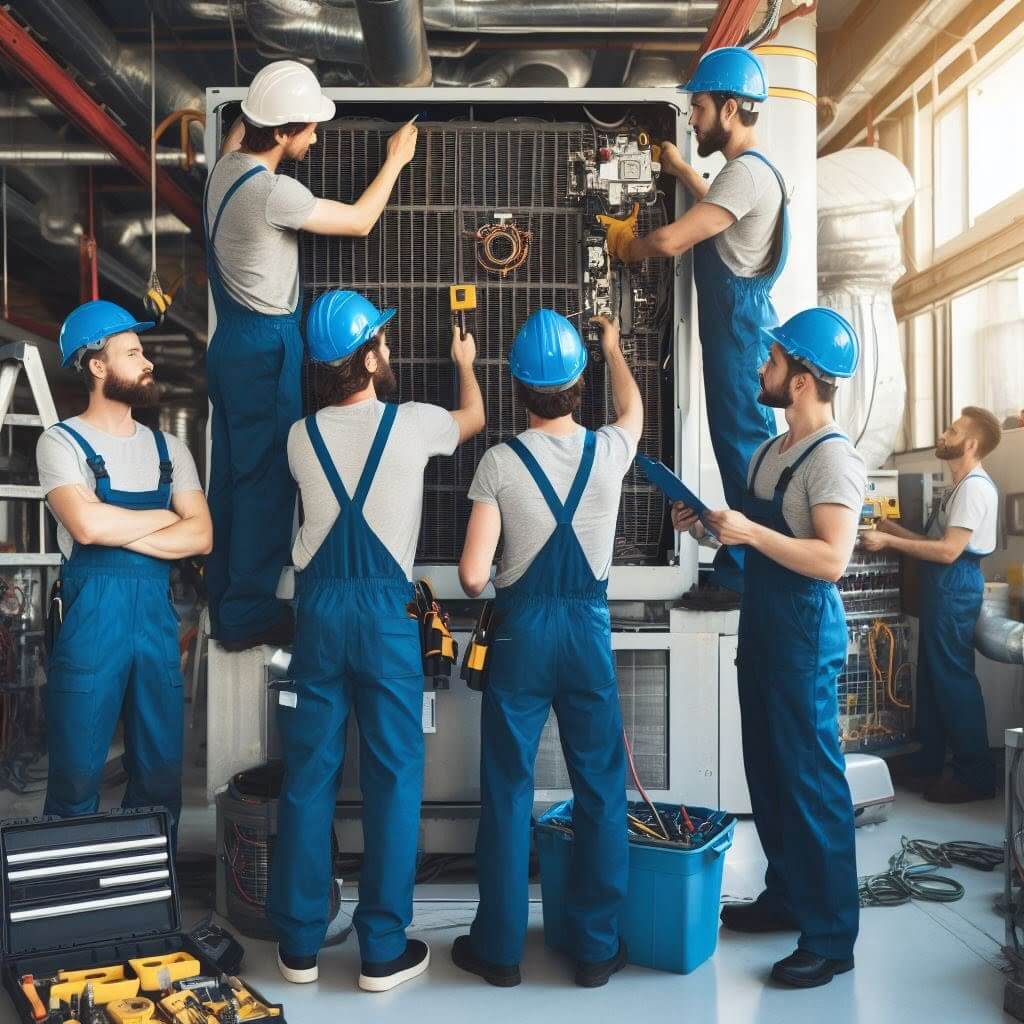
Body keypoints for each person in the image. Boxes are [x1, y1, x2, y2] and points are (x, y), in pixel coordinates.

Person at [268, 290, 484, 991]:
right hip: (388, 620)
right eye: (381, 343)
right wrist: (465, 363)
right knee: (395, 782)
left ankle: (299, 947)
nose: (388, 351)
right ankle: (380, 951)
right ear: (366, 357)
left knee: (307, 782)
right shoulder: (415, 423)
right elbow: (475, 419)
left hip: (319, 618)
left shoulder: (301, 435)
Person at [673, 308, 863, 988]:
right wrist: (705, 529)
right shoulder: (768, 451)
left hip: (806, 635)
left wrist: (750, 537)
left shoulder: (833, 460)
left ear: (805, 380)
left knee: (812, 783)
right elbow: (748, 537)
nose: (762, 368)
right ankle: (786, 897)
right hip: (764, 629)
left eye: (774, 361)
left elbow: (831, 559)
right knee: (771, 774)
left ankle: (832, 935)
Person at [452, 311, 643, 989]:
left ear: (516, 387)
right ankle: (595, 947)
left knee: (507, 789)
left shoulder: (500, 463)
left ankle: (499, 950)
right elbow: (634, 410)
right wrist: (615, 349)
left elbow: (474, 577)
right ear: (578, 383)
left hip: (522, 634)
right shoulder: (610, 451)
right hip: (587, 633)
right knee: (600, 789)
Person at [205, 60, 419, 651]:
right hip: (267, 346)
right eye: (308, 129)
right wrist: (397, 158)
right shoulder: (273, 192)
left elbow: (239, 127)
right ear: (278, 133)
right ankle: (247, 615)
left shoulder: (224, 168)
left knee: (229, 479)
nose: (316, 138)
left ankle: (225, 596)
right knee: (268, 481)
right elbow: (359, 221)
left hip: (229, 341)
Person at [600, 47, 786, 605]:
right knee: (738, 445)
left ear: (729, 109)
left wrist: (628, 246)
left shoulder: (747, 174)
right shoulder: (745, 177)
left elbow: (674, 239)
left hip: (740, 333)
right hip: (736, 328)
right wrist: (681, 168)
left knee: (743, 448)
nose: (695, 119)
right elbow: (722, 222)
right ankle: (744, 558)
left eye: (700, 107)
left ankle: (746, 570)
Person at [38, 300, 212, 839]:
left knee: (160, 776)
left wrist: (125, 524)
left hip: (156, 624)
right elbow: (86, 529)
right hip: (92, 620)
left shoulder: (170, 449)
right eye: (133, 352)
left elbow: (202, 536)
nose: (147, 362)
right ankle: (71, 907)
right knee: (76, 774)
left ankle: (150, 907)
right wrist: (164, 520)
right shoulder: (60, 441)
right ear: (97, 365)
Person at [862, 407, 1001, 803]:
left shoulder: (975, 488)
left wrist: (890, 542)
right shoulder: (958, 485)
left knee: (953, 678)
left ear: (970, 444)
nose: (943, 434)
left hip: (955, 585)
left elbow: (947, 551)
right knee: (932, 676)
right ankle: (928, 761)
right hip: (942, 586)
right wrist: (894, 529)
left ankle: (974, 775)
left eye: (952, 431)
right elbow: (936, 543)